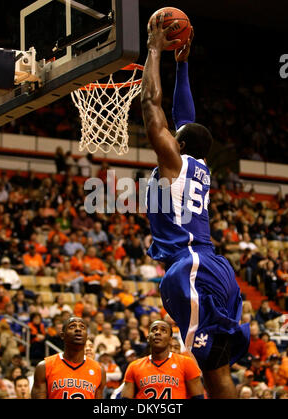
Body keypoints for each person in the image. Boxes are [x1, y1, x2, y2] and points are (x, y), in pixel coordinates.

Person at [140, 15, 249, 399]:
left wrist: (154, 48)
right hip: (210, 265)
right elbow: (186, 118)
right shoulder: (198, 164)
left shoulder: (176, 164)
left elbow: (152, 106)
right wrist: (182, 65)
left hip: (192, 268)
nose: (170, 130)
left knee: (215, 373)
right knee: (217, 368)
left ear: (179, 146)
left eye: (174, 135)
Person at [121, 320, 204, 399]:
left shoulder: (186, 363)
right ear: (148, 338)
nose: (157, 332)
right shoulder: (134, 366)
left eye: (163, 330)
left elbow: (198, 397)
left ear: (170, 339)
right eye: (154, 330)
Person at [31, 316, 106, 398]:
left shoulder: (99, 370)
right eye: (72, 326)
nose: (78, 329)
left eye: (82, 327)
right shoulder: (44, 367)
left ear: (86, 336)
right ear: (62, 335)